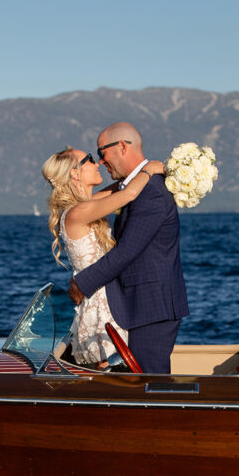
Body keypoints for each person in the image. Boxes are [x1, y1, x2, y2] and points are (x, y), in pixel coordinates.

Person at [69, 122, 189, 374]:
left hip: (151, 306)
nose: (101, 161)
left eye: (102, 153)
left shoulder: (152, 192)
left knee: (149, 385)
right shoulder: (139, 187)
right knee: (138, 384)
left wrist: (82, 283)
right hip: (137, 304)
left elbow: (127, 251)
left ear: (122, 147)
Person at [42, 146, 156, 367]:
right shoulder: (77, 212)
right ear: (75, 172)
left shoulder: (86, 206)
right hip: (102, 313)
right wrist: (150, 169)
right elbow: (128, 193)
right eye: (91, 159)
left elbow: (119, 188)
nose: (98, 163)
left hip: (112, 304)